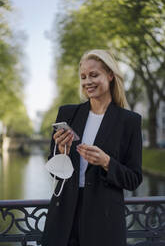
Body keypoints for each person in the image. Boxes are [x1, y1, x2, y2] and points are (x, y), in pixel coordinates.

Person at [42, 49, 143, 246]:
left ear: (110, 75)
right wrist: (61, 152)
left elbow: (134, 179)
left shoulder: (129, 121)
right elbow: (55, 172)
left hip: (103, 222)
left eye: (94, 75)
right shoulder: (67, 113)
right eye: (83, 77)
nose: (87, 81)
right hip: (63, 217)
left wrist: (106, 162)